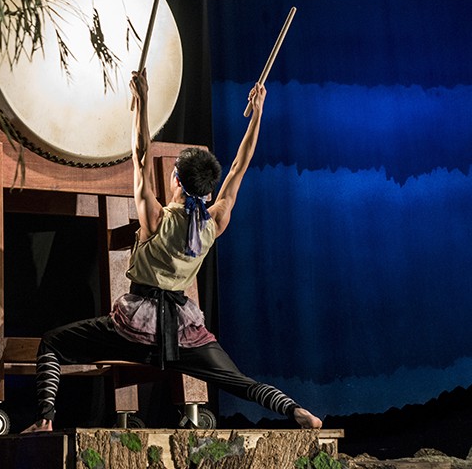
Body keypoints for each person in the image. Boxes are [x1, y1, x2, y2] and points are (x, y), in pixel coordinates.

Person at [21, 69, 322, 433]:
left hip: (133, 330)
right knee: (238, 380)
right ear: (208, 192)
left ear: (175, 179)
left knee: (54, 341)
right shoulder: (215, 221)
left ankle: (45, 420)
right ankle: (296, 411)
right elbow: (240, 166)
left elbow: (140, 156)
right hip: (184, 334)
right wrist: (257, 113)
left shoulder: (156, 217)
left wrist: (141, 103)